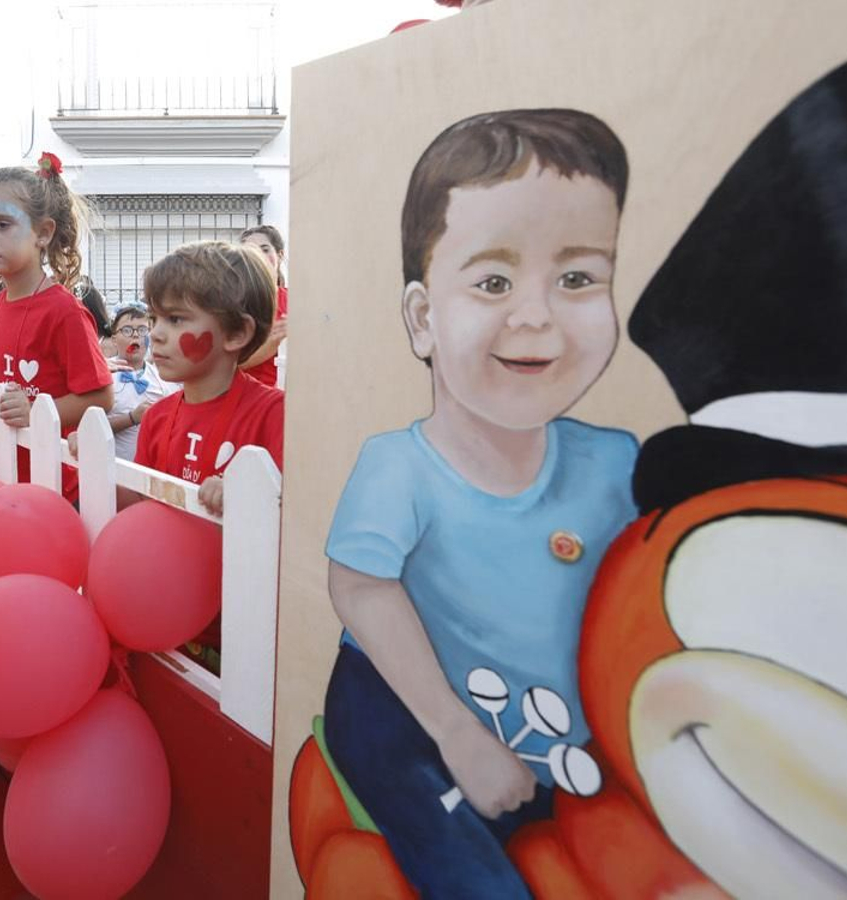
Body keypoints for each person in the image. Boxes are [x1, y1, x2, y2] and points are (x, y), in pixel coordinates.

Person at [321, 109, 636, 898]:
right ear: (424, 319)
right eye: (494, 281)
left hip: (555, 723)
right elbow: (359, 586)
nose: (535, 315)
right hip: (406, 704)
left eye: (577, 278)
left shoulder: (617, 463)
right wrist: (457, 732)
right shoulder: (399, 467)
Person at [0, 153, 114, 496]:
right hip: (4, 474)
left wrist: (36, 410)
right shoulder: (1, 303)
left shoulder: (64, 311)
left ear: (43, 233)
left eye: (2, 224)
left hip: (53, 485)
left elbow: (102, 395)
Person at [134, 241, 284, 517]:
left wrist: (247, 493)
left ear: (236, 333)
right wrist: (95, 462)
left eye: (176, 319)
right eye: (154, 318)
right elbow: (137, 506)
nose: (155, 333)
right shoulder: (155, 418)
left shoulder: (274, 415)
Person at [106, 301, 175, 461]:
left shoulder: (162, 379)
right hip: (112, 468)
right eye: (127, 330)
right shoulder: (105, 376)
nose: (136, 335)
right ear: (114, 339)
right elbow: (92, 427)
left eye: (142, 330)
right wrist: (131, 418)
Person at [238, 225, 289, 388]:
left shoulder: (297, 301)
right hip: (247, 400)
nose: (259, 255)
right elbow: (228, 364)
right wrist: (272, 342)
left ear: (280, 255)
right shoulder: (232, 303)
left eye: (265, 249)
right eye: (251, 251)